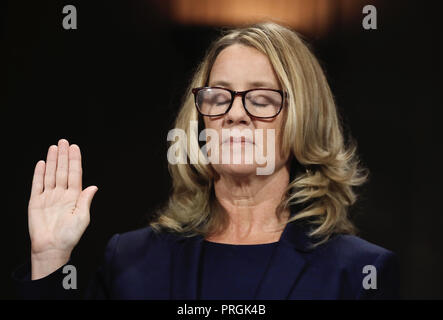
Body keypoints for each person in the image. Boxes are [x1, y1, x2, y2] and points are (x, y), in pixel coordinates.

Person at [13, 22, 398, 299]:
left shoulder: (359, 272)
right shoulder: (129, 259)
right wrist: (49, 258)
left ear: (304, 118)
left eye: (261, 99)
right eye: (219, 96)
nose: (236, 114)